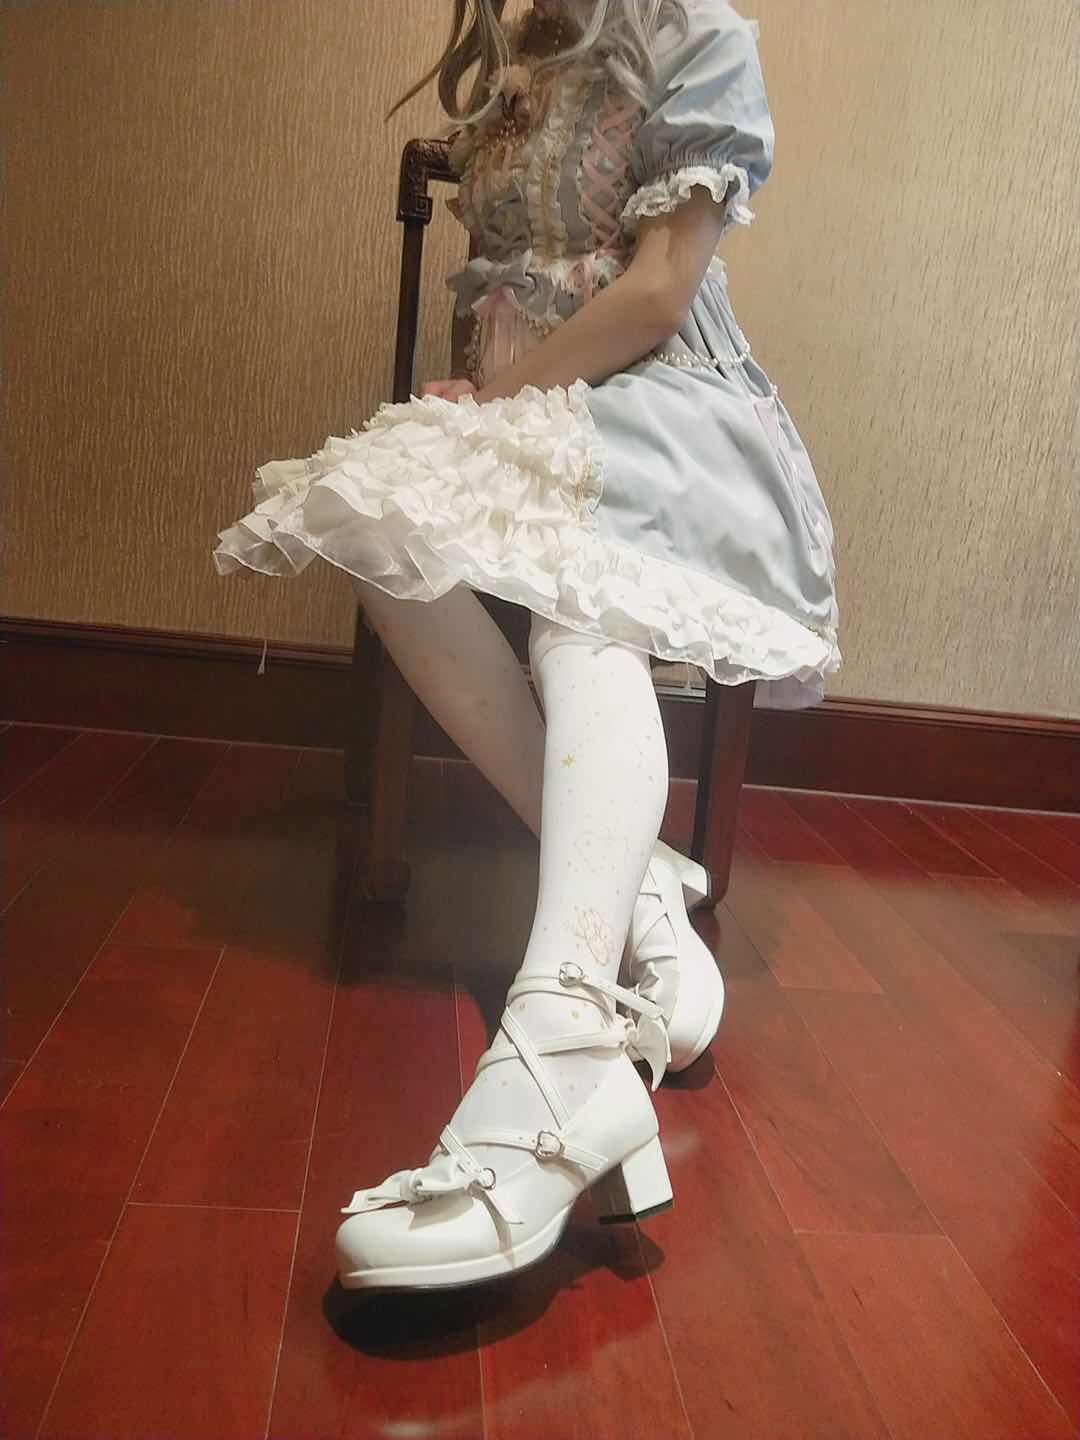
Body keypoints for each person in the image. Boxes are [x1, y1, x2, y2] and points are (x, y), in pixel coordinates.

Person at [212, 0, 841, 1294]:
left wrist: (505, 403)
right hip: (539, 398)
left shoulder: (695, 30)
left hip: (670, 406)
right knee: (371, 521)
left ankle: (561, 1027)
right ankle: (640, 884)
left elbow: (659, 290)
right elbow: (509, 280)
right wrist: (480, 402)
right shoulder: (524, 46)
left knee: (579, 610)